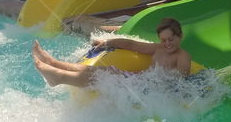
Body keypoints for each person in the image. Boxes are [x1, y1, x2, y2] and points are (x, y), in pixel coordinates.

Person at [32, 17, 192, 87]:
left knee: (106, 78)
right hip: (143, 80)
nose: (167, 44)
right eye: (163, 40)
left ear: (180, 36)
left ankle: (60, 78)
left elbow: (179, 84)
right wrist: (107, 42)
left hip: (150, 88)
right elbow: (132, 45)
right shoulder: (159, 48)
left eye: (171, 39)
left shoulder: (182, 56)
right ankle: (54, 63)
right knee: (105, 70)